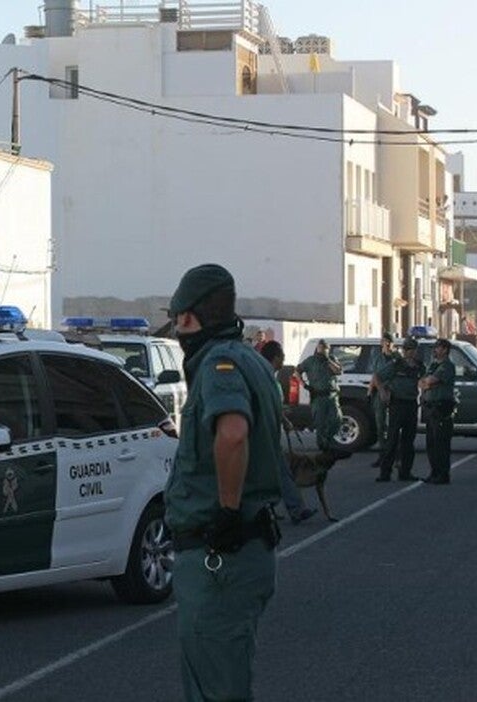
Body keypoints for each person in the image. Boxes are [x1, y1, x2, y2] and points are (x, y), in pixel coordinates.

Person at [164, 264, 282, 702]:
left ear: (188, 318)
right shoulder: (250, 356)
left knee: (216, 689)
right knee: (225, 679)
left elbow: (232, 432)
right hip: (243, 551)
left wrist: (228, 513)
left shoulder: (219, 363)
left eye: (177, 320)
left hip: (222, 553)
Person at [259, 340, 316, 525]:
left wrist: (284, 420)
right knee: (280, 473)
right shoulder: (262, 376)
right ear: (275, 358)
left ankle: (276, 509)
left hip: (270, 432)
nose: (284, 359)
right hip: (263, 434)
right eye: (282, 356)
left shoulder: (269, 376)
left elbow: (274, 404)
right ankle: (294, 509)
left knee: (276, 473)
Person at [375, 337, 423, 482]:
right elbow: (378, 376)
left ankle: (405, 472)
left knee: (408, 441)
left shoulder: (419, 366)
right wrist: (382, 391)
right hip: (397, 404)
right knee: (392, 440)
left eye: (412, 349)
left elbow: (424, 380)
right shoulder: (396, 364)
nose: (409, 352)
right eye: (407, 349)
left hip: (411, 404)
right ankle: (385, 473)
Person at [419, 338, 457, 485]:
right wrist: (426, 383)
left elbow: (430, 381)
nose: (435, 350)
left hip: (442, 407)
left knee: (441, 443)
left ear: (445, 350)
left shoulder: (447, 366)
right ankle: (434, 472)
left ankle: (442, 474)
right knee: (431, 443)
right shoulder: (433, 365)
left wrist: (427, 383)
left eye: (438, 348)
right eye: (435, 348)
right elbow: (422, 382)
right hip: (430, 407)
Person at [295, 340, 344, 453]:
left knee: (337, 420)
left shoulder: (332, 359)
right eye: (320, 347)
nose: (322, 350)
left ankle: (328, 439)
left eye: (324, 348)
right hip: (318, 396)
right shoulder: (310, 361)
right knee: (320, 423)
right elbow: (297, 371)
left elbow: (338, 371)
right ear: (317, 348)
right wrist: (304, 384)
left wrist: (328, 360)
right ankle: (323, 446)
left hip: (331, 395)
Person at [368, 333, 397, 467]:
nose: (385, 344)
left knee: (393, 426)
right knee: (380, 426)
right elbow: (375, 375)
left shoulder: (396, 358)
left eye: (388, 342)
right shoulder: (377, 357)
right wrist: (372, 390)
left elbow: (398, 375)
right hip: (379, 394)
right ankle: (383, 456)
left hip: (393, 393)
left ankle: (395, 456)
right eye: (383, 342)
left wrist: (386, 388)